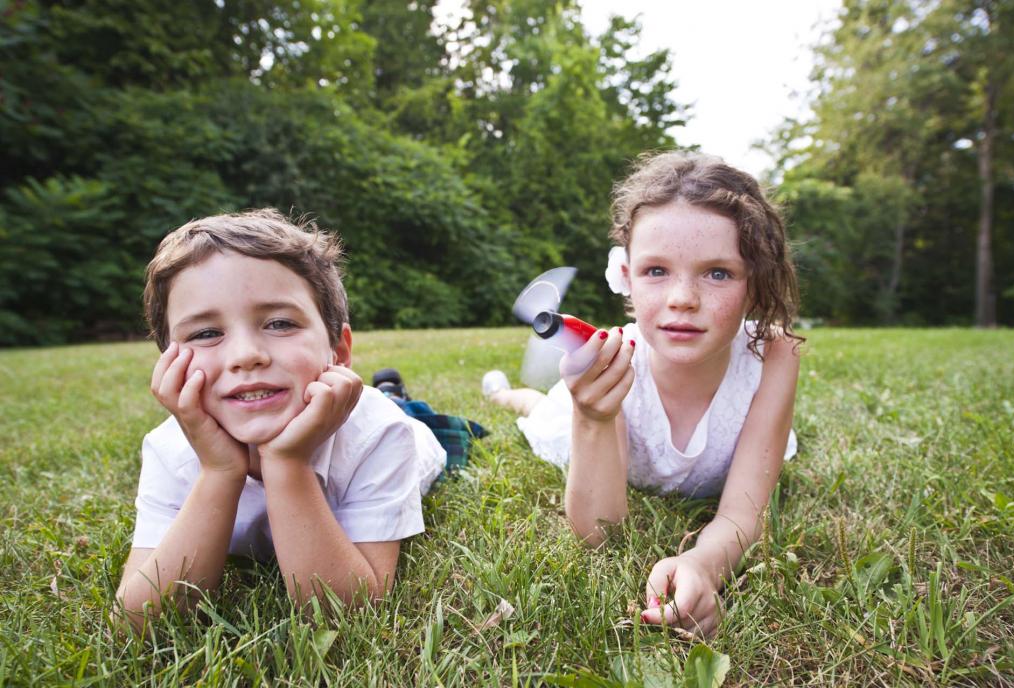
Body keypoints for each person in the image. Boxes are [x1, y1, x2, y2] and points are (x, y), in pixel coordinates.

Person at [483, 151, 803, 637]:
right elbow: (599, 533)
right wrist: (591, 417)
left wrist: (702, 563)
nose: (682, 298)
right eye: (657, 271)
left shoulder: (775, 354)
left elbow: (742, 512)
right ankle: (509, 394)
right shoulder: (613, 361)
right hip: (589, 422)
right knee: (541, 410)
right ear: (627, 278)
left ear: (754, 285)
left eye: (717, 273)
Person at [115, 209, 445, 631]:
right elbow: (139, 624)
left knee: (420, 419)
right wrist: (220, 470)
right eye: (205, 333)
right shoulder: (168, 450)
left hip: (418, 442)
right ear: (169, 363)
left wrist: (287, 462)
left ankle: (395, 394)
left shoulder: (379, 434)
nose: (246, 355)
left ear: (338, 350)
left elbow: (350, 615)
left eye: (280, 323)